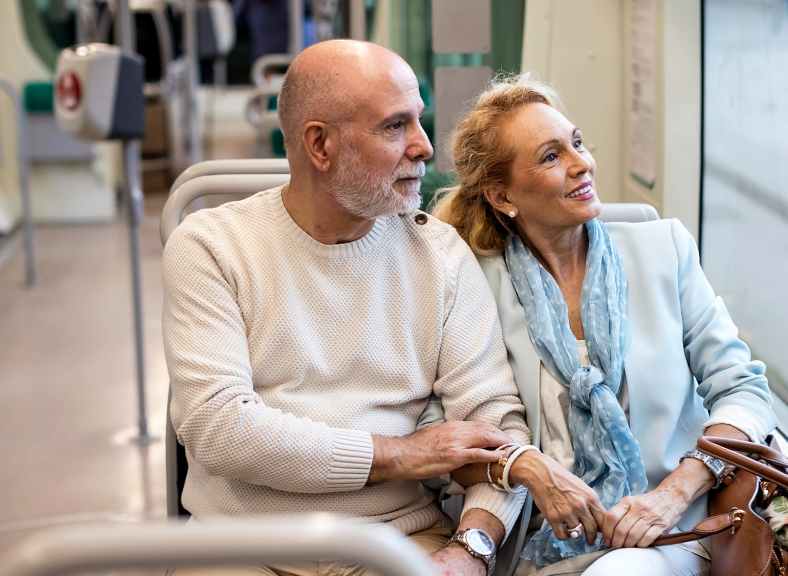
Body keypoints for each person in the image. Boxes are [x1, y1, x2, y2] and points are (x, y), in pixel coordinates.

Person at [163, 40, 531, 576]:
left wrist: (473, 547)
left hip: (393, 543)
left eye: (419, 122)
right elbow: (220, 429)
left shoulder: (440, 254)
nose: (425, 147)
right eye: (395, 126)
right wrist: (402, 455)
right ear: (320, 145)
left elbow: (495, 425)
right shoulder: (211, 247)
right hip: (238, 547)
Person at [432, 74, 778, 576]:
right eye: (551, 157)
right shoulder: (471, 285)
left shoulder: (666, 250)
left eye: (576, 143)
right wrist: (526, 470)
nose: (581, 164)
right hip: (534, 547)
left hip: (673, 531)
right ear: (502, 196)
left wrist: (676, 491)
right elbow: (443, 437)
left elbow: (745, 390)